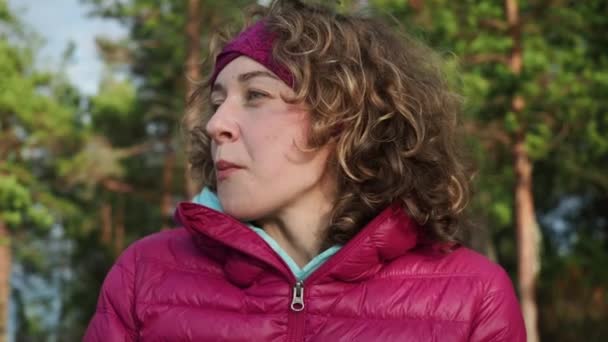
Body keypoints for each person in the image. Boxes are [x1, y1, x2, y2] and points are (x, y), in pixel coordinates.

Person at [84, 0, 526, 340]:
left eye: (255, 96)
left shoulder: (473, 297)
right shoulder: (145, 276)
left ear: (344, 119)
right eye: (217, 102)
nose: (216, 124)